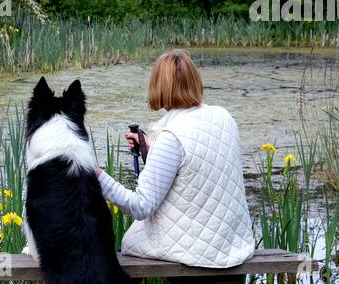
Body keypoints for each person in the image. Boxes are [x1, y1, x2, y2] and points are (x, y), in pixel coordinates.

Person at [95, 49, 255, 268]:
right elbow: (195, 170)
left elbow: (141, 206)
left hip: (197, 251)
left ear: (159, 86)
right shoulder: (224, 117)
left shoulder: (171, 137)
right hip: (233, 243)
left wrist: (96, 175)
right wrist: (150, 152)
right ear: (194, 80)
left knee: (131, 240)